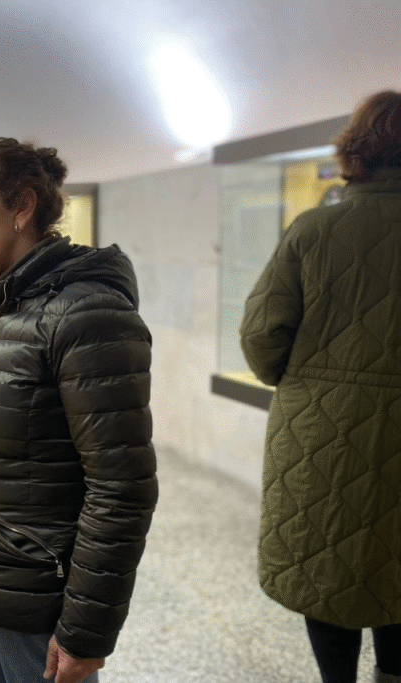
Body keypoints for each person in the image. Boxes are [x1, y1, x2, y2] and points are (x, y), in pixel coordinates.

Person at [0, 137, 158, 683]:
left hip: (32, 596)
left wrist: (86, 631)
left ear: (22, 208)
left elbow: (121, 486)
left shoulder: (87, 314)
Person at [240, 90, 401, 683]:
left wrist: (312, 382)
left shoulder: (314, 229)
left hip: (322, 436)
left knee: (329, 565)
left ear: (355, 152)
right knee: (396, 564)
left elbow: (262, 337)